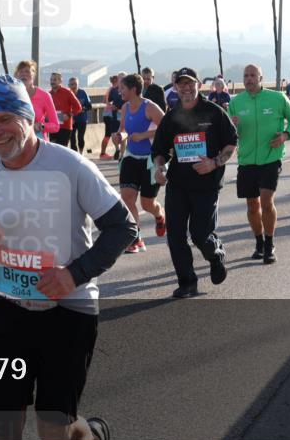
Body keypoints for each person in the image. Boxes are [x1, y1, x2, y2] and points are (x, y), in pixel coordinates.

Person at [0, 75, 135, 440]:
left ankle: (92, 439)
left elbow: (123, 227)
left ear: (28, 118)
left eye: (5, 120)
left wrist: (73, 274)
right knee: (2, 438)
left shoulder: (70, 166)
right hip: (8, 310)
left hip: (68, 310)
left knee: (56, 434)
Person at [152, 67, 236, 298]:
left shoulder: (214, 112)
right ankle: (187, 283)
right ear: (176, 87)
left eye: (190, 83)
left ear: (199, 85)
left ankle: (215, 254)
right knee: (175, 237)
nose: (186, 88)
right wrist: (160, 168)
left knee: (200, 235)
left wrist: (214, 163)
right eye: (182, 84)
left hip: (206, 185)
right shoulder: (171, 117)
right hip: (178, 185)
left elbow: (231, 143)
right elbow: (159, 151)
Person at [228, 64, 290, 263]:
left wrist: (286, 135)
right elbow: (227, 131)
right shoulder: (236, 102)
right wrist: (231, 126)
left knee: (266, 201)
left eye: (253, 75)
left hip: (270, 158)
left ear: (261, 78)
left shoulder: (277, 98)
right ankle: (259, 242)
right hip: (247, 160)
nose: (249, 79)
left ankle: (269, 245)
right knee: (252, 205)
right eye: (246, 76)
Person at [111, 73, 166, 254]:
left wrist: (144, 135)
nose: (119, 91)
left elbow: (167, 128)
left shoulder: (149, 107)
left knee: (147, 204)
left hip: (150, 160)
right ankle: (136, 239)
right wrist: (119, 136)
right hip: (131, 157)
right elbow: (124, 129)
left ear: (133, 89)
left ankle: (159, 214)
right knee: (127, 198)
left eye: (123, 88)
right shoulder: (125, 107)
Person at [14, 60, 59, 141]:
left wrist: (41, 126)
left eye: (27, 71)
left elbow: (55, 126)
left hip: (38, 142)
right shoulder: (12, 95)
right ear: (17, 75)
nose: (24, 74)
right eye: (21, 71)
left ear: (34, 75)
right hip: (17, 142)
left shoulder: (44, 96)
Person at [48, 72, 82, 148]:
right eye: (51, 80)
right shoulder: (49, 94)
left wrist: (69, 115)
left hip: (65, 127)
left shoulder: (67, 92)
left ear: (60, 81)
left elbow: (78, 107)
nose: (52, 82)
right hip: (52, 126)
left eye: (55, 80)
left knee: (61, 149)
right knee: (53, 149)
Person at [99, 74, 122, 159]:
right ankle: (103, 153)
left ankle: (105, 153)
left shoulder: (110, 89)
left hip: (107, 114)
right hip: (111, 115)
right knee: (110, 134)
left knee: (109, 134)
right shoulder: (114, 89)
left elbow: (104, 100)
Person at [68, 77, 92, 154]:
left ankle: (81, 153)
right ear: (69, 85)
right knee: (72, 139)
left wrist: (82, 109)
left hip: (82, 119)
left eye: (75, 84)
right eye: (71, 84)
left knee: (80, 137)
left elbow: (89, 106)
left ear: (78, 84)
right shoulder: (67, 94)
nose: (73, 86)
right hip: (71, 120)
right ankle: (75, 155)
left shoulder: (83, 93)